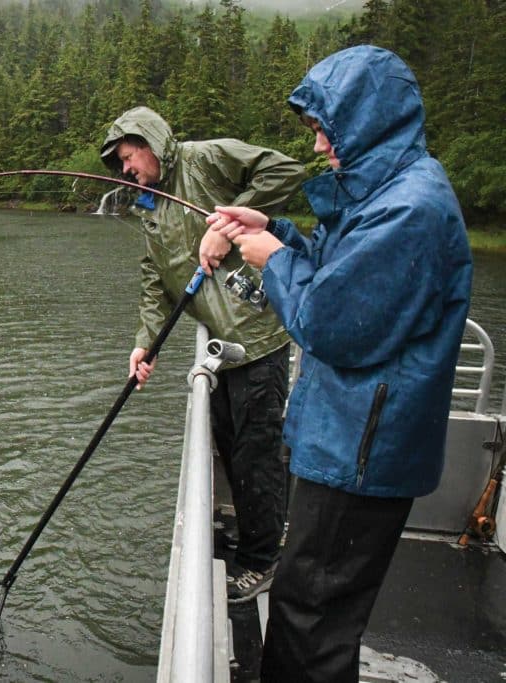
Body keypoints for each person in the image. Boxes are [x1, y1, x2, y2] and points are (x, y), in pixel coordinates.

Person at [207, 45, 473, 682]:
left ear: (368, 120)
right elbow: (343, 270)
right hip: (352, 440)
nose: (321, 145)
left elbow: (332, 323)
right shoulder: (390, 193)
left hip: (364, 451)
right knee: (315, 610)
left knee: (310, 620)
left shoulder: (410, 210)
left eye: (327, 128)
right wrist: (276, 227)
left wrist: (273, 258)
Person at [99, 106, 307, 603]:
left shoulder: (205, 159)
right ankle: (259, 532)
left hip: (259, 336)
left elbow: (286, 170)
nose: (126, 169)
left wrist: (229, 220)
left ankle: (263, 560)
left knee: (257, 453)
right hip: (222, 347)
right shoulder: (147, 204)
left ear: (150, 143)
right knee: (233, 448)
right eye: (121, 164)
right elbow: (156, 279)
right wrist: (143, 343)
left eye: (130, 157)